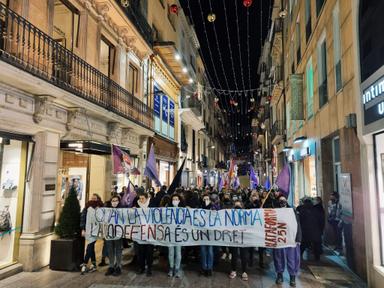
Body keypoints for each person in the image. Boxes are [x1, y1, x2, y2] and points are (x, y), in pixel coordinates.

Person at [273, 195, 301, 287]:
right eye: (280, 200)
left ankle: (292, 277)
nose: (282, 202)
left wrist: (298, 238)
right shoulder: (274, 211)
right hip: (279, 239)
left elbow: (298, 225)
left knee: (292, 258)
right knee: (278, 258)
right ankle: (279, 275)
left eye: (284, 200)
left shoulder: (292, 211)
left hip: (291, 239)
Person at [80, 194, 103, 274]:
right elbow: (83, 217)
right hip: (89, 230)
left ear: (98, 199)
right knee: (91, 247)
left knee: (89, 247)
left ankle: (84, 263)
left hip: (96, 230)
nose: (93, 199)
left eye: (95, 198)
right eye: (92, 198)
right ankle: (93, 264)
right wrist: (83, 229)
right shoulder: (87, 207)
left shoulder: (101, 207)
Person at [134, 191, 155, 276]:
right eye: (140, 198)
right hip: (140, 232)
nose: (141, 200)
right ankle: (141, 267)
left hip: (150, 232)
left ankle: (149, 268)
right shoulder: (137, 206)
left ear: (147, 198)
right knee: (140, 251)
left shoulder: (152, 205)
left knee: (149, 252)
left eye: (143, 198)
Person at [228, 200, 249, 281]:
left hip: (243, 237)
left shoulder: (246, 214)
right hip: (234, 237)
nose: (237, 208)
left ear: (242, 206)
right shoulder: (230, 215)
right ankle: (233, 270)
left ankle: (244, 271)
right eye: (236, 206)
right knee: (234, 255)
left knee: (244, 255)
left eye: (239, 206)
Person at [105, 195, 123, 276]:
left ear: (119, 201)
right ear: (110, 201)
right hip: (109, 232)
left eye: (116, 200)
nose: (114, 202)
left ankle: (118, 266)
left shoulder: (122, 210)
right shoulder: (106, 210)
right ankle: (111, 266)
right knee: (110, 249)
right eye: (113, 200)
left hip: (118, 233)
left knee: (118, 249)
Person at [245, 191, 265, 268]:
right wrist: (252, 203)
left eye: (256, 196)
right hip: (251, 227)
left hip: (259, 227)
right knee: (251, 246)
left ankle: (261, 261)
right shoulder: (248, 203)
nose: (254, 198)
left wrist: (259, 204)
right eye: (253, 196)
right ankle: (251, 260)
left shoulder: (260, 204)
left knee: (261, 246)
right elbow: (246, 210)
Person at [167, 193, 184, 278]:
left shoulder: (183, 210)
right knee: (171, 253)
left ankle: (177, 269)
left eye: (177, 199)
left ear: (179, 201)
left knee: (178, 253)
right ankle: (171, 268)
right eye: (174, 199)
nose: (175, 201)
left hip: (179, 234)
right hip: (170, 234)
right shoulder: (168, 210)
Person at [200, 193, 214, 276]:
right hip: (202, 232)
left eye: (207, 199)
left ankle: (209, 268)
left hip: (211, 232)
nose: (206, 200)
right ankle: (204, 267)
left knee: (210, 251)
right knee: (203, 251)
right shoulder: (200, 207)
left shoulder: (213, 207)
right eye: (204, 199)